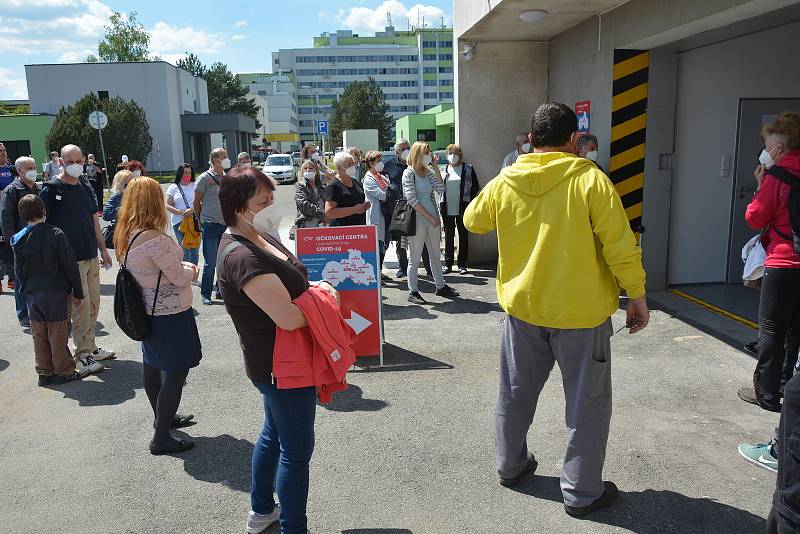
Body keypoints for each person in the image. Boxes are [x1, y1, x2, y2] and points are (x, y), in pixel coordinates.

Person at [464, 102, 648, 517]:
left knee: (514, 394)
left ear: (531, 140)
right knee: (587, 403)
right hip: (582, 314)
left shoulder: (509, 178)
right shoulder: (591, 180)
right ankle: (582, 493)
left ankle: (511, 466)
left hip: (524, 310)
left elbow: (474, 220)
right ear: (574, 140)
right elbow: (620, 246)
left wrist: (506, 183)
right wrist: (636, 294)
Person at [216, 166, 339, 534]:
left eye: (272, 197)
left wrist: (312, 286)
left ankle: (261, 510)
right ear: (239, 206)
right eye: (262, 200)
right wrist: (325, 298)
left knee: (273, 435)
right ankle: (292, 528)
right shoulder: (242, 256)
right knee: (297, 453)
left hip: (279, 364)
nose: (271, 204)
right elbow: (287, 317)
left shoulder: (259, 234)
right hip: (281, 366)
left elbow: (293, 281)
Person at [113, 176, 201, 455]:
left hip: (146, 311)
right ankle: (161, 437)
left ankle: (162, 419)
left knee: (152, 365)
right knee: (176, 371)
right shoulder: (154, 237)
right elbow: (178, 276)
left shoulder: (126, 232)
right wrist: (193, 270)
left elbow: (152, 273)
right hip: (169, 312)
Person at [737, 112, 800, 476]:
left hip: (783, 261)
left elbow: (754, 218)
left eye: (766, 144)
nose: (763, 149)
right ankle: (788, 387)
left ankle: (765, 393)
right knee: (795, 331)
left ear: (778, 146)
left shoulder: (777, 174)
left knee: (772, 328)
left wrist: (761, 185)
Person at [39, 144, 115, 375]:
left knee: (93, 304)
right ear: (60, 162)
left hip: (90, 255)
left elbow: (94, 220)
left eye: (78, 161)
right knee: (80, 306)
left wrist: (103, 250)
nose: (75, 165)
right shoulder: (51, 189)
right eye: (69, 161)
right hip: (69, 260)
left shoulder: (85, 186)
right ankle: (82, 355)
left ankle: (90, 347)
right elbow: (43, 226)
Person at [11, 194, 85, 386]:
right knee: (57, 331)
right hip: (56, 290)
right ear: (43, 210)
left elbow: (18, 269)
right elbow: (69, 265)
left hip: (33, 293)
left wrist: (25, 288)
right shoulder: (56, 234)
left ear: (22, 215)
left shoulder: (17, 238)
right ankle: (63, 370)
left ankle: (44, 371)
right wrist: (78, 291)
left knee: (39, 332)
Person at [402, 141, 459, 304]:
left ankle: (441, 286)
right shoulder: (408, 173)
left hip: (432, 218)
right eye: (426, 152)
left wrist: (435, 166)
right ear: (418, 153)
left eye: (429, 151)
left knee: (435, 254)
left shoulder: (427, 172)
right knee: (415, 256)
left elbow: (441, 189)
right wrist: (430, 217)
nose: (429, 154)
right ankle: (413, 291)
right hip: (418, 219)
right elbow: (411, 199)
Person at [382, 138, 431, 279]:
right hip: (400, 208)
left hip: (418, 206)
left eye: (408, 148)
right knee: (400, 241)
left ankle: (429, 269)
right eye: (403, 149)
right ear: (397, 151)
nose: (406, 151)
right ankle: (402, 268)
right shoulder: (388, 165)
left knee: (422, 239)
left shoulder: (416, 163)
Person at [1, 156, 41, 327]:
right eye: (29, 168)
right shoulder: (12, 190)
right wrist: (12, 241)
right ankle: (23, 314)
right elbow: (6, 217)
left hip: (40, 240)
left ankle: (37, 310)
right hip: (21, 241)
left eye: (34, 166)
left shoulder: (38, 188)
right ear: (19, 171)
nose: (33, 170)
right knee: (21, 279)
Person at [193, 147, 231, 305]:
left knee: (224, 261)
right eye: (224, 156)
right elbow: (196, 202)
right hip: (210, 224)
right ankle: (205, 294)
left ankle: (221, 291)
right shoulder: (204, 178)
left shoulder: (227, 177)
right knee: (210, 262)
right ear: (215, 160)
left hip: (225, 224)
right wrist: (200, 219)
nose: (227, 158)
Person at [440, 144, 480, 275]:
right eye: (450, 153)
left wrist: (468, 201)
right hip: (447, 207)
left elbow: (475, 186)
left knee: (463, 236)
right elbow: (439, 187)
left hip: (463, 207)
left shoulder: (468, 168)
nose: (453, 156)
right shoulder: (443, 169)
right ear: (446, 155)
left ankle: (462, 264)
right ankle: (448, 264)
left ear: (460, 155)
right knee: (449, 237)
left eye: (455, 153)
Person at [166, 163, 200, 265]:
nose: (187, 175)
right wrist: (180, 212)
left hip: (194, 221)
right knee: (184, 250)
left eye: (189, 172)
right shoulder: (173, 187)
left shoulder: (195, 185)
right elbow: (168, 205)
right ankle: (185, 275)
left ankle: (194, 275)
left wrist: (192, 210)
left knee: (195, 250)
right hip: (179, 223)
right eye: (185, 172)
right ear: (180, 173)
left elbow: (201, 202)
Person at [324, 152, 369, 227]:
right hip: (342, 230)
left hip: (359, 227)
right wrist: (354, 210)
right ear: (339, 168)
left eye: (353, 163)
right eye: (349, 165)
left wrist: (365, 205)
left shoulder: (355, 182)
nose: (352, 166)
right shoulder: (334, 186)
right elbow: (329, 212)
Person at [363, 150, 389, 269]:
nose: (381, 163)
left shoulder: (382, 176)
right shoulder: (368, 179)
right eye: (378, 161)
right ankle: (376, 272)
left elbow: (391, 191)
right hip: (376, 216)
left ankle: (380, 271)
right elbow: (383, 195)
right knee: (377, 246)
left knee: (384, 245)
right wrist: (388, 194)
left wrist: (389, 193)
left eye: (381, 160)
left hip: (385, 214)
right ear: (371, 163)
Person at [0, 143, 19, 294]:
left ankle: (13, 278)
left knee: (12, 243)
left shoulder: (12, 169)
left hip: (13, 214)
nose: (3, 153)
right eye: (0, 151)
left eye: (4, 150)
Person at [293, 161, 327, 234]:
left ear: (316, 171)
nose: (308, 170)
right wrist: (322, 215)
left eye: (311, 168)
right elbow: (303, 204)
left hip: (323, 221)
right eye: (305, 168)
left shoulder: (321, 186)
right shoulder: (300, 185)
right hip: (309, 221)